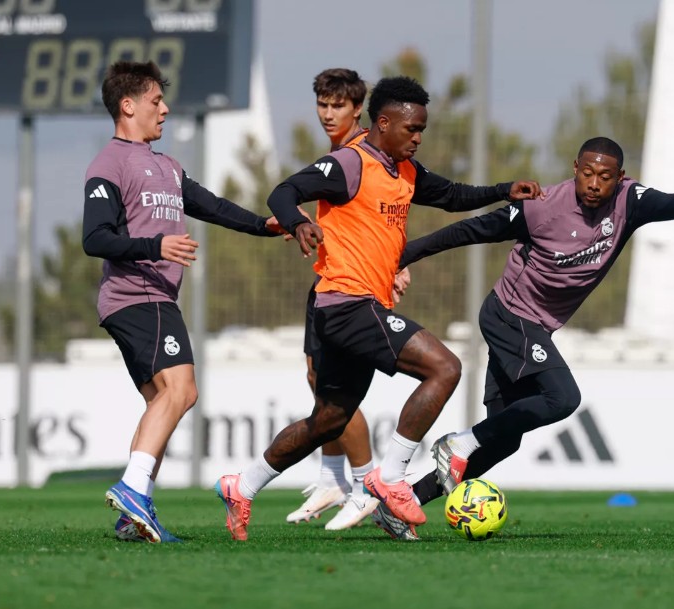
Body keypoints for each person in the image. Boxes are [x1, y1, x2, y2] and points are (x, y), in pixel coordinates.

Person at [213, 75, 542, 541]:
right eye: (412, 129)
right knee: (445, 367)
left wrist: (504, 189)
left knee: (330, 419)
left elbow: (452, 195)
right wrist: (297, 223)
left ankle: (241, 485)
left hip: (357, 309)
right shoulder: (349, 163)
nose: (418, 137)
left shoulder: (405, 170)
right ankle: (390, 479)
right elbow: (283, 192)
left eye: (422, 129)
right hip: (347, 304)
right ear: (382, 124)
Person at [373, 136, 674, 540]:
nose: (595, 184)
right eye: (587, 173)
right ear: (575, 169)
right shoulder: (542, 207)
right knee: (563, 398)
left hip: (531, 326)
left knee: (503, 443)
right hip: (510, 317)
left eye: (605, 177)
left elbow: (670, 204)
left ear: (620, 178)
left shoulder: (629, 201)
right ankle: (459, 443)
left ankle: (402, 506)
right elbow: (470, 231)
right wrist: (404, 255)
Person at [82, 60, 285, 543]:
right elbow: (95, 238)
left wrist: (263, 226)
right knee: (183, 391)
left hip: (150, 299)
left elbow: (212, 206)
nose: (165, 109)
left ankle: (133, 513)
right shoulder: (109, 164)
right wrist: (156, 246)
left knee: (162, 400)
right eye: (156, 101)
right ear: (127, 106)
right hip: (138, 296)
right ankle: (132, 490)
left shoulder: (168, 167)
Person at [285, 68, 409, 531]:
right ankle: (333, 478)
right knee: (317, 378)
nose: (327, 113)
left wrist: (397, 265)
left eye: (337, 105)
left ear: (359, 109)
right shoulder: (338, 156)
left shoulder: (363, 153)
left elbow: (392, 207)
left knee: (339, 393)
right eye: (322, 104)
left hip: (353, 290)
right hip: (328, 280)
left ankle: (364, 486)